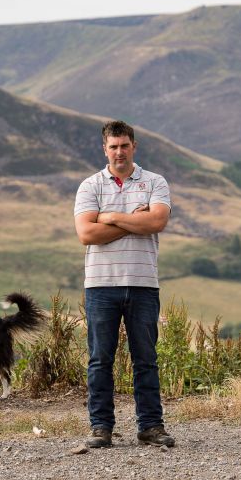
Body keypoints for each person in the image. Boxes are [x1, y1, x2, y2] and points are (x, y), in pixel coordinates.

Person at [73, 120, 175, 448]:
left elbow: (157, 220)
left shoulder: (155, 182)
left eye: (125, 145)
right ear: (105, 149)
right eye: (113, 146)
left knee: (145, 357)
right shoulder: (90, 186)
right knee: (100, 358)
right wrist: (134, 220)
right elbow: (87, 234)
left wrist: (110, 217)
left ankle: (151, 426)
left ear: (134, 146)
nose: (119, 152)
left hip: (144, 284)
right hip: (101, 286)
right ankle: (100, 427)